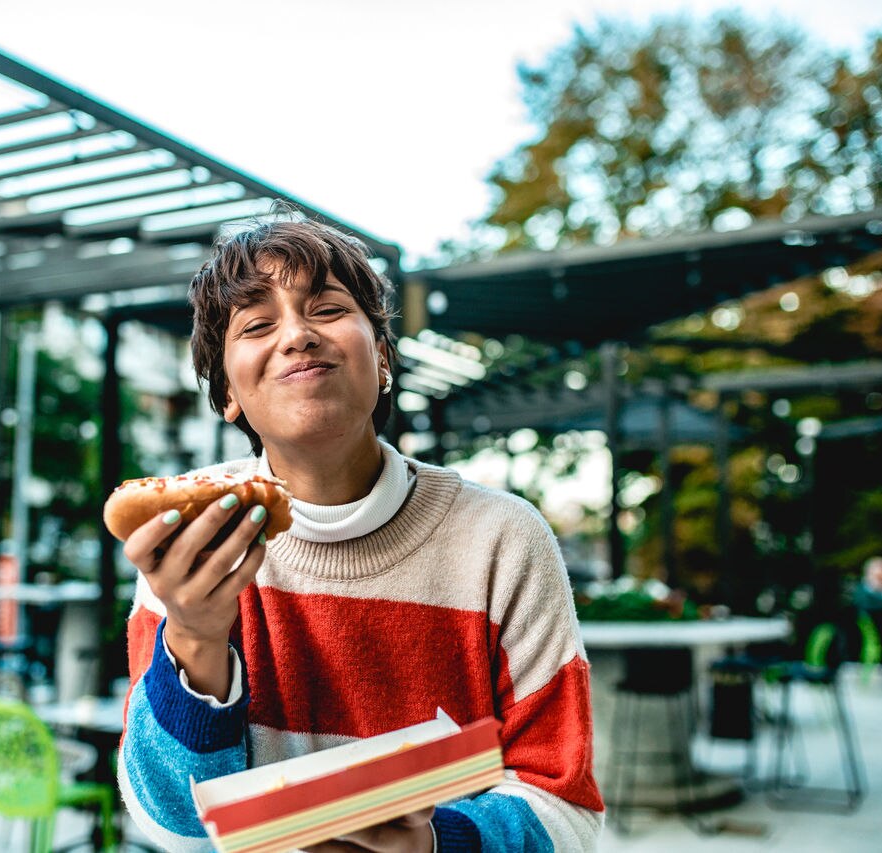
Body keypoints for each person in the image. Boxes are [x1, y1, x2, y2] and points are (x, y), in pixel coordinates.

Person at [116, 218, 604, 851]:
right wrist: (193, 636)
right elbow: (173, 822)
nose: (296, 334)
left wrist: (434, 843)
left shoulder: (502, 539)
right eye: (258, 325)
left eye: (327, 308)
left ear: (383, 359)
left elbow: (567, 811)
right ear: (227, 393)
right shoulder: (194, 539)